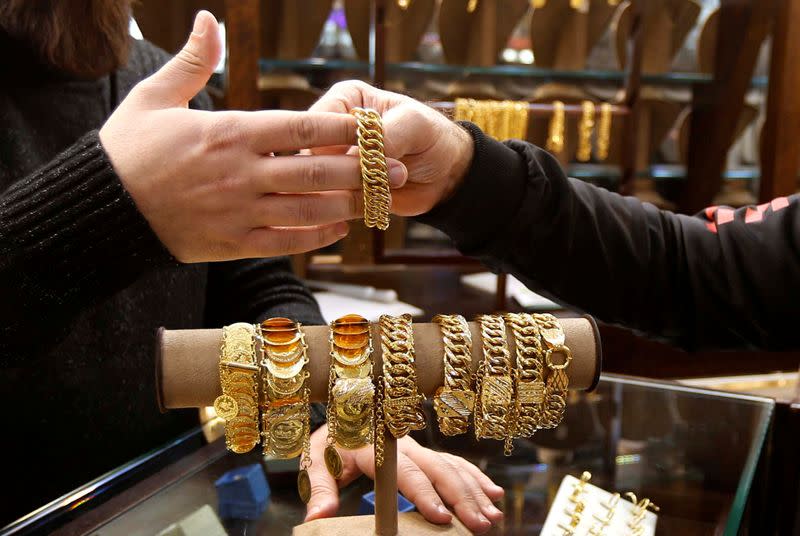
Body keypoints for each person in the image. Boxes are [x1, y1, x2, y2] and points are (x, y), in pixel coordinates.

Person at [0, 6, 502, 533]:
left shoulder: (156, 78)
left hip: (166, 506)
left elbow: (258, 285)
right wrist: (108, 202)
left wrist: (331, 411)